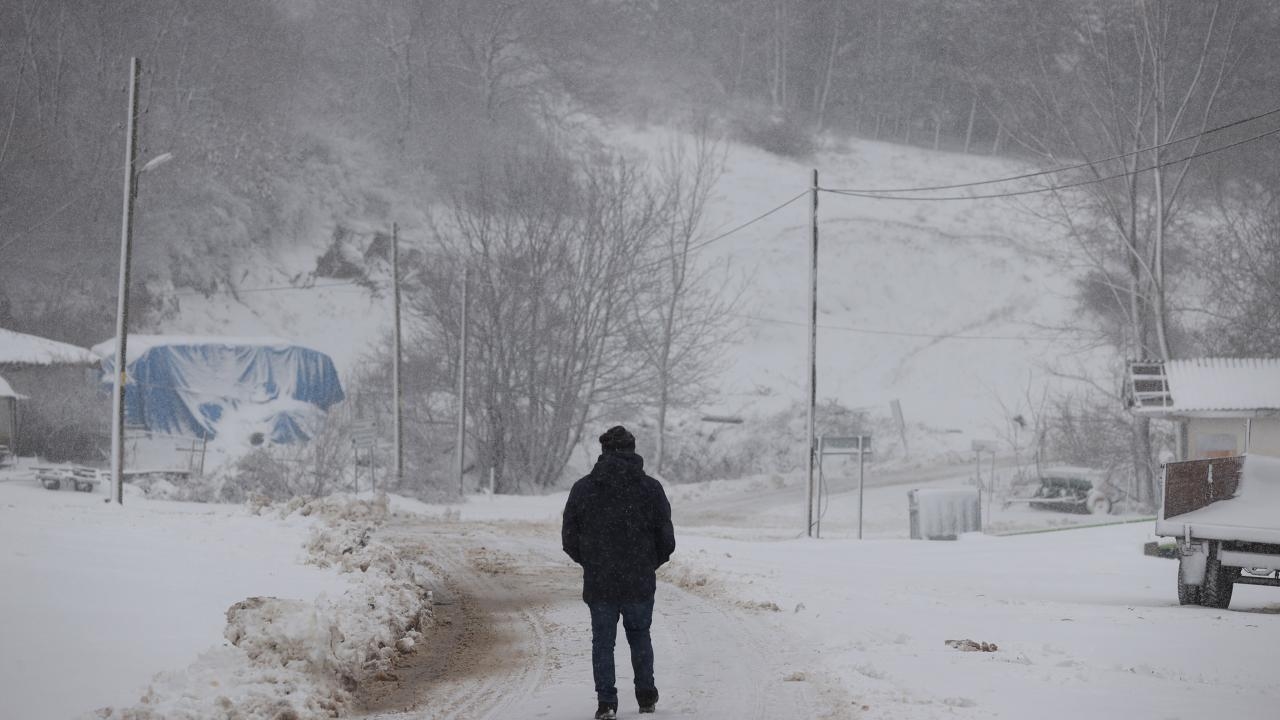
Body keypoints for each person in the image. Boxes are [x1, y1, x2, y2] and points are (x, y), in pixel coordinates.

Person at [562, 425, 676, 720]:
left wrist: (592, 560)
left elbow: (569, 538)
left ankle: (606, 703)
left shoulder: (583, 489)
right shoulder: (651, 489)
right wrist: (647, 563)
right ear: (632, 451)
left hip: (600, 581)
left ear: (604, 451)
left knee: (602, 641)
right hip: (638, 578)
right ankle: (646, 697)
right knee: (639, 636)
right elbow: (666, 540)